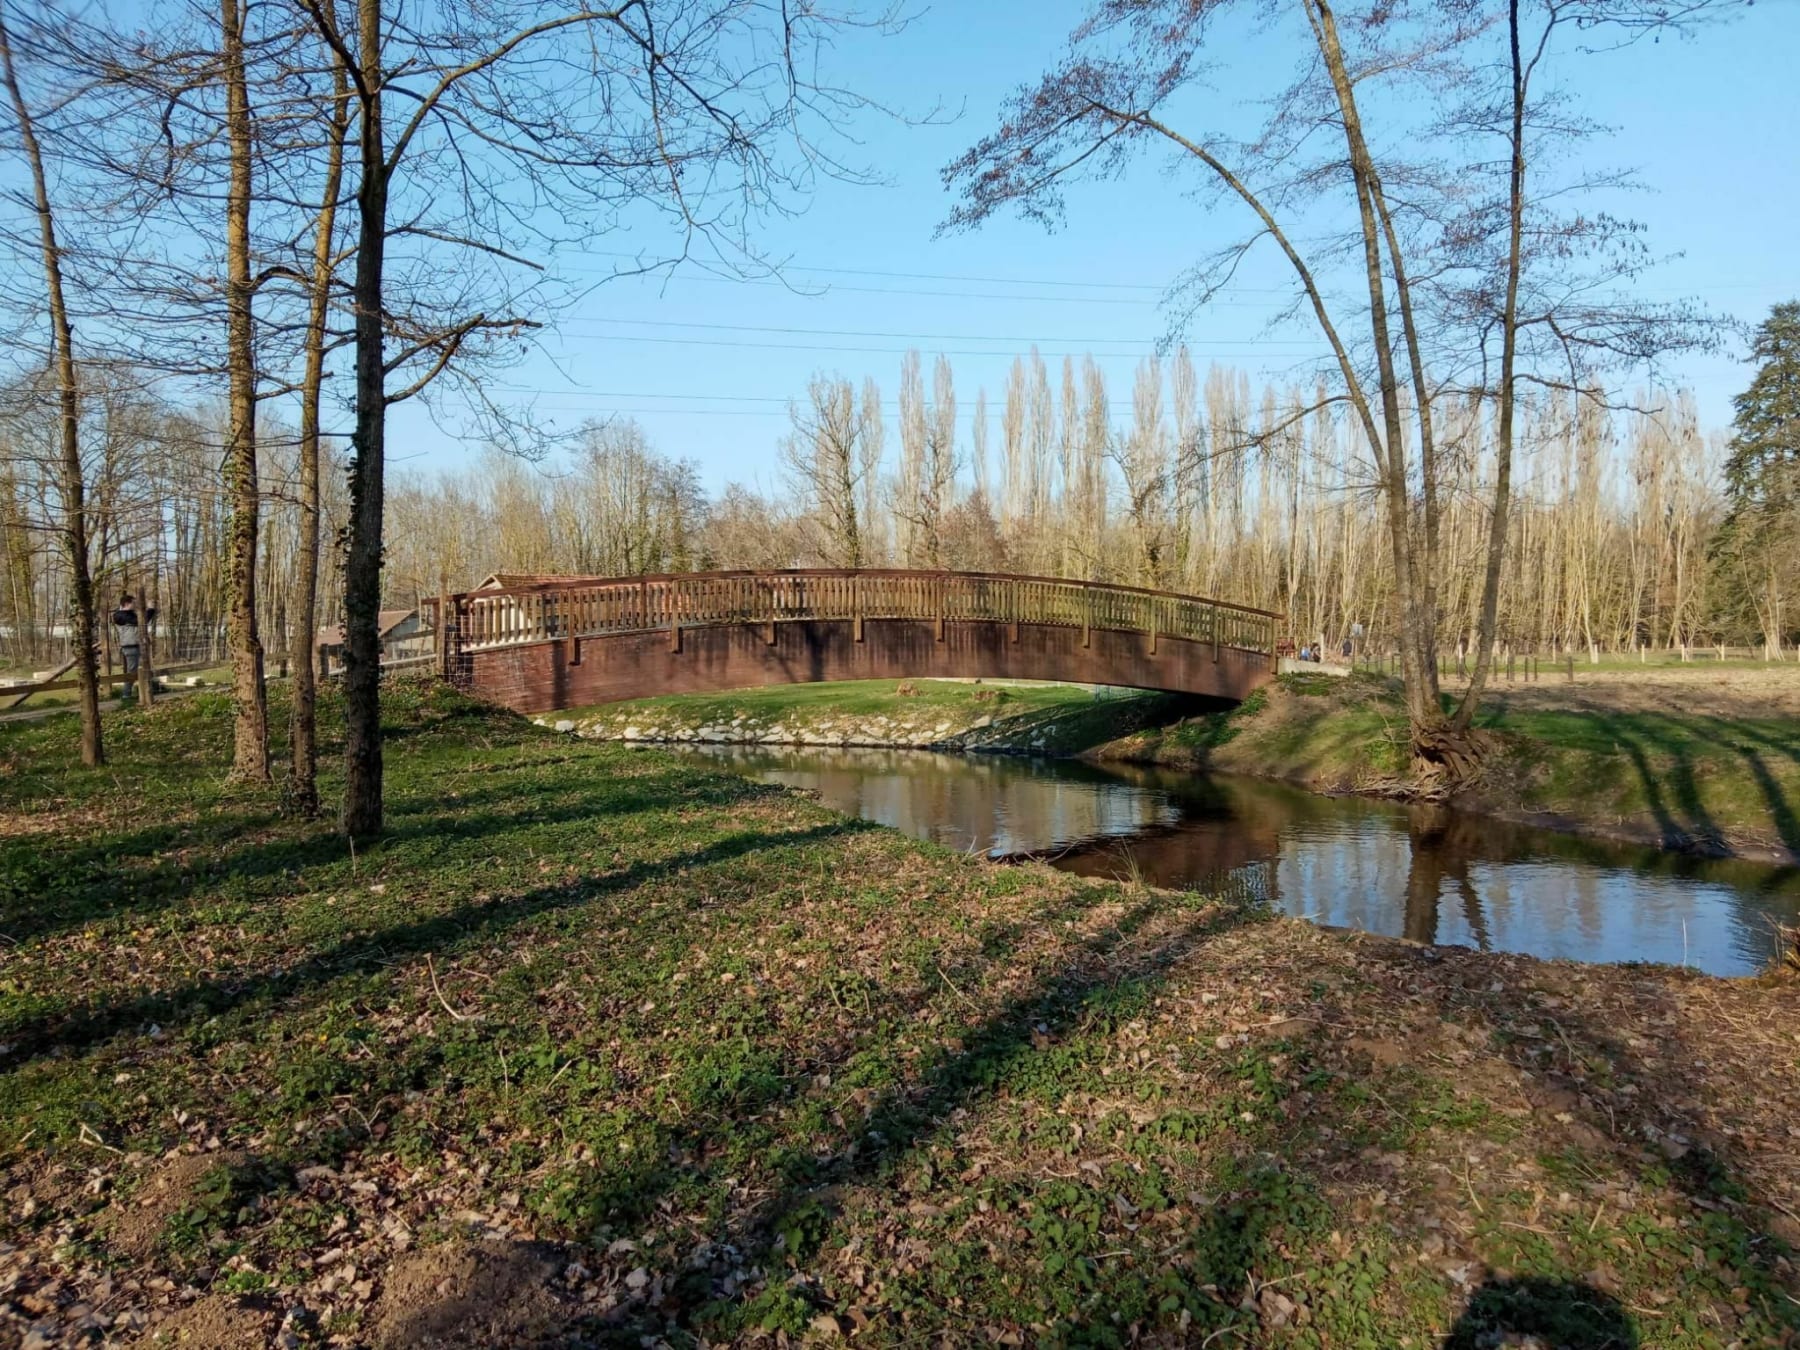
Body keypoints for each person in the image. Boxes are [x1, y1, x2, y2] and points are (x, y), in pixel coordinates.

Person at [112, 594, 156, 679]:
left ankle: (140, 689)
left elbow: (141, 621)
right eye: (134, 603)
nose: (135, 605)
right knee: (132, 673)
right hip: (130, 647)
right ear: (127, 604)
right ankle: (126, 692)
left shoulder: (129, 614)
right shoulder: (121, 615)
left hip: (135, 645)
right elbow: (140, 621)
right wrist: (150, 609)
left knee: (138, 671)